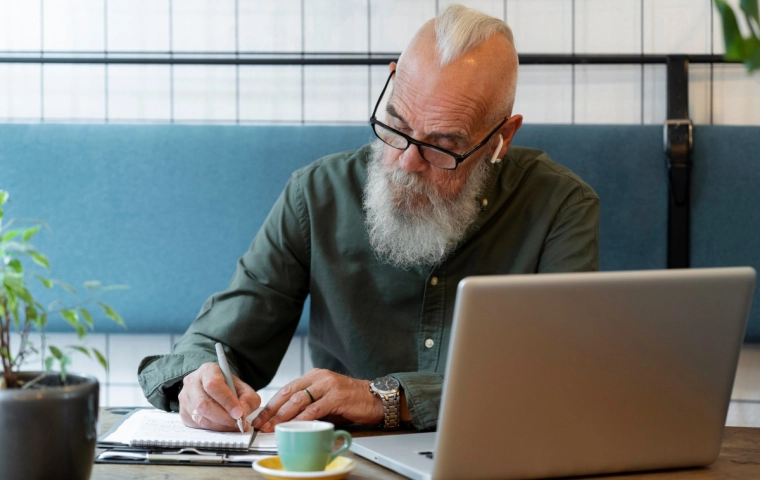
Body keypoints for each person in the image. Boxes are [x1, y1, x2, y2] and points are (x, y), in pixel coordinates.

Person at [138, 4, 599, 433]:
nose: (404, 163)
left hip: (499, 453)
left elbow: (563, 375)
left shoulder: (560, 207)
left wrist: (385, 398)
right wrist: (200, 381)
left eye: (443, 146)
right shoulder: (316, 195)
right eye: (396, 125)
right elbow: (222, 340)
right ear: (392, 82)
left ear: (502, 138)